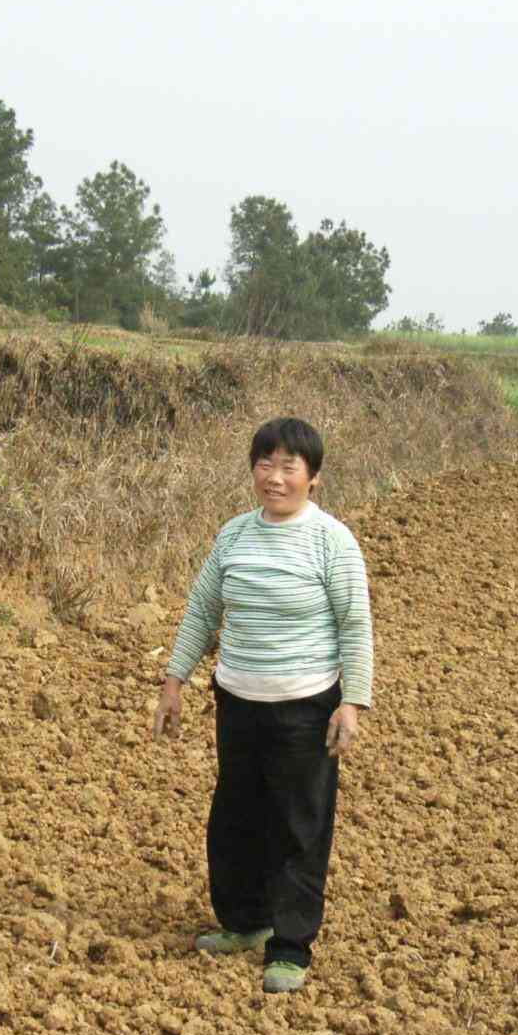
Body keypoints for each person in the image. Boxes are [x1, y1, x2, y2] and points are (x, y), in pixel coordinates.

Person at [151, 417, 374, 995]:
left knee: (300, 825)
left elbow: (355, 625)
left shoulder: (331, 541)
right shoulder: (234, 536)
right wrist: (175, 681)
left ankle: (291, 946)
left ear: (313, 476)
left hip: (305, 707)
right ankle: (245, 922)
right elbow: (203, 611)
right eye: (264, 464)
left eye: (288, 467)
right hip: (238, 702)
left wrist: (352, 702)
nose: (274, 478)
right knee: (236, 817)